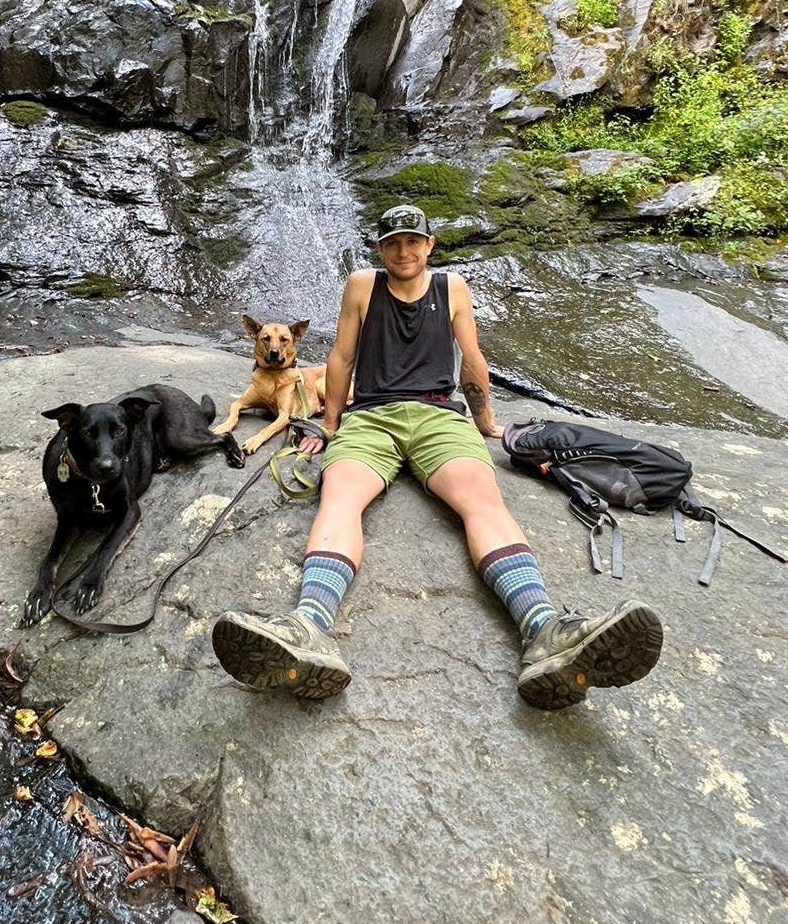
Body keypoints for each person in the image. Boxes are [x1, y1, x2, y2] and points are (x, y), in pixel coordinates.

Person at [212, 203, 664, 711]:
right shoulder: (362, 284)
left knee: (483, 501)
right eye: (392, 243)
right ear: (380, 250)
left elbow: (471, 358)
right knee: (338, 499)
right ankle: (307, 629)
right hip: (371, 416)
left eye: (413, 241)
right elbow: (340, 357)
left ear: (429, 245)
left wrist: (486, 419)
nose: (403, 251)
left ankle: (545, 632)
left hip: (439, 415)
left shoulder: (454, 288)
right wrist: (331, 423)